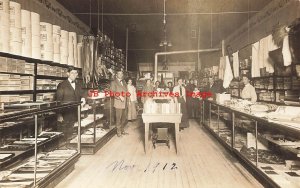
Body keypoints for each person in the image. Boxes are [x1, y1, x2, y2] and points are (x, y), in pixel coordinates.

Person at [56, 67, 86, 143]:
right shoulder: (62, 85)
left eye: (76, 73)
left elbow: (82, 94)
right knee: (65, 133)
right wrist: (59, 114)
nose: (74, 75)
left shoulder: (78, 85)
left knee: (73, 132)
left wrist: (83, 98)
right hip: (66, 113)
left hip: (75, 112)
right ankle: (66, 148)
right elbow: (58, 101)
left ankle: (72, 148)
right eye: (72, 73)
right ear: (68, 73)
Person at [110, 69, 129, 137]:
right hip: (118, 103)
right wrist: (119, 96)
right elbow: (112, 92)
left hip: (125, 103)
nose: (121, 75)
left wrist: (128, 100)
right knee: (118, 118)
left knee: (124, 118)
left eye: (121, 74)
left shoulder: (124, 82)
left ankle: (122, 130)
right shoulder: (113, 82)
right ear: (116, 75)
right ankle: (118, 133)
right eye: (119, 74)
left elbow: (126, 91)